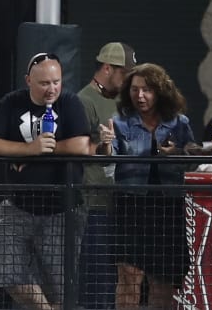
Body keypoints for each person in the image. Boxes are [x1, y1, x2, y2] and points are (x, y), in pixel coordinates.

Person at [0, 51, 96, 310]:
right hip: (18, 205)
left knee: (60, 288)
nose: (51, 89)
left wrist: (44, 150)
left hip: (61, 209)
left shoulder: (70, 103)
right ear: (28, 80)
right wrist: (29, 150)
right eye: (44, 83)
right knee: (7, 272)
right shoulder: (12, 103)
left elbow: (81, 145)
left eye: (56, 82)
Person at [109, 62, 196, 310]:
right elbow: (110, 157)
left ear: (159, 92)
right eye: (135, 90)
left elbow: (192, 160)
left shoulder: (179, 123)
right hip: (131, 205)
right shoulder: (121, 123)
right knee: (129, 275)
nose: (140, 96)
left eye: (146, 90)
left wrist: (176, 152)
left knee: (164, 280)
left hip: (168, 207)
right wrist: (105, 145)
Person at [78, 41, 133, 310]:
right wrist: (101, 142)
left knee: (119, 278)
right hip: (96, 203)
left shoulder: (125, 102)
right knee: (97, 278)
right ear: (108, 68)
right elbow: (77, 150)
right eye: (124, 73)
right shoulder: (84, 100)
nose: (127, 80)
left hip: (122, 201)